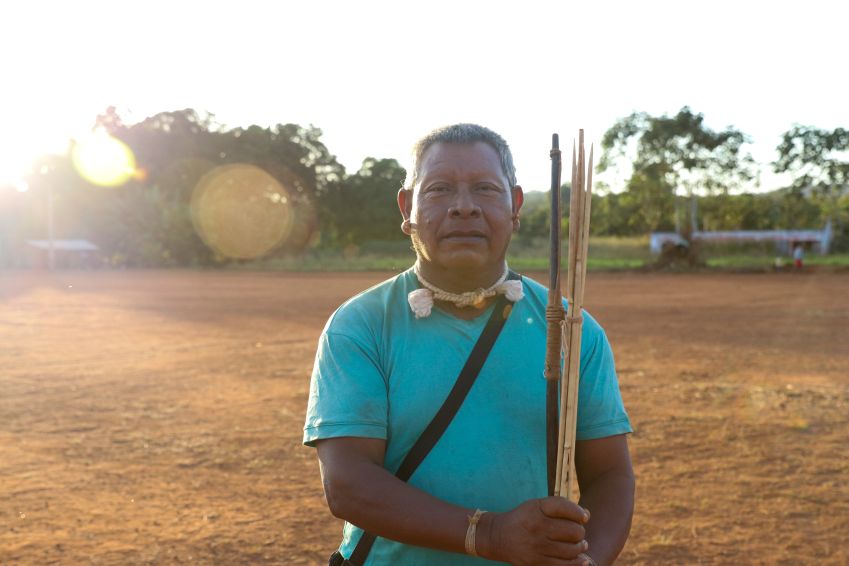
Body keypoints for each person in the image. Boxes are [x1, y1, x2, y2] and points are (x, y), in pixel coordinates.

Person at [304, 124, 634, 565]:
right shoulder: (360, 326)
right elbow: (348, 484)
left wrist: (588, 561)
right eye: (439, 189)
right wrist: (490, 534)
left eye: (485, 189)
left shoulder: (573, 329)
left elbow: (610, 474)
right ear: (407, 208)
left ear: (515, 206)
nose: (464, 207)